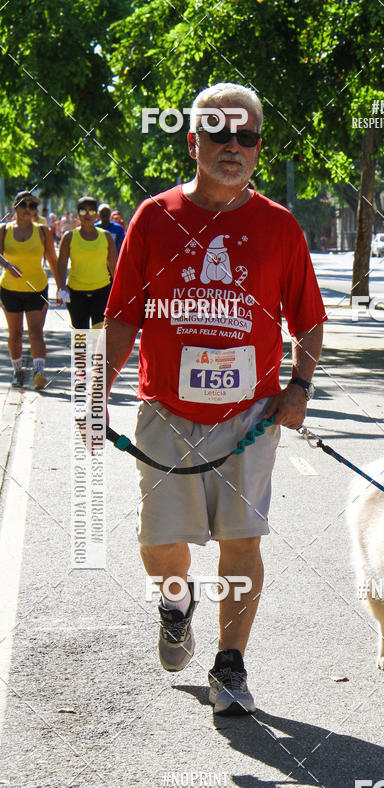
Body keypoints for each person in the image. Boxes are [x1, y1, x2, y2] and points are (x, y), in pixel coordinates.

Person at [101, 82, 326, 715]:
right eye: (219, 134)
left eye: (246, 136)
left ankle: (230, 664)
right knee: (158, 543)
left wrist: (299, 387)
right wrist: (98, 390)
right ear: (193, 142)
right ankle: (176, 602)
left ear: (258, 147)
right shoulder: (154, 217)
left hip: (248, 416)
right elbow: (123, 316)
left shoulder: (279, 227)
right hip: (165, 412)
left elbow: (308, 319)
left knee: (242, 542)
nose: (234, 147)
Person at [0, 190, 60, 389]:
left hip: (37, 289)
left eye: (33, 206)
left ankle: (39, 373)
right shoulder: (4, 230)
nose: (28, 209)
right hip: (10, 289)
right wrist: (7, 266)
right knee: (15, 333)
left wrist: (61, 287)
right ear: (15, 207)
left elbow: (52, 259)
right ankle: (18, 371)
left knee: (36, 332)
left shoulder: (42, 231)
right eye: (24, 205)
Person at [57, 196, 117, 328]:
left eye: (91, 211)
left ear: (97, 214)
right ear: (78, 214)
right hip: (76, 293)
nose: (87, 215)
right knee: (80, 339)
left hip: (102, 292)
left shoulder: (106, 236)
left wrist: (119, 290)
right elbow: (61, 263)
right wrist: (61, 285)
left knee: (99, 337)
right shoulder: (69, 237)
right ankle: (80, 349)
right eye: (83, 211)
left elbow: (113, 265)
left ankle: (98, 349)